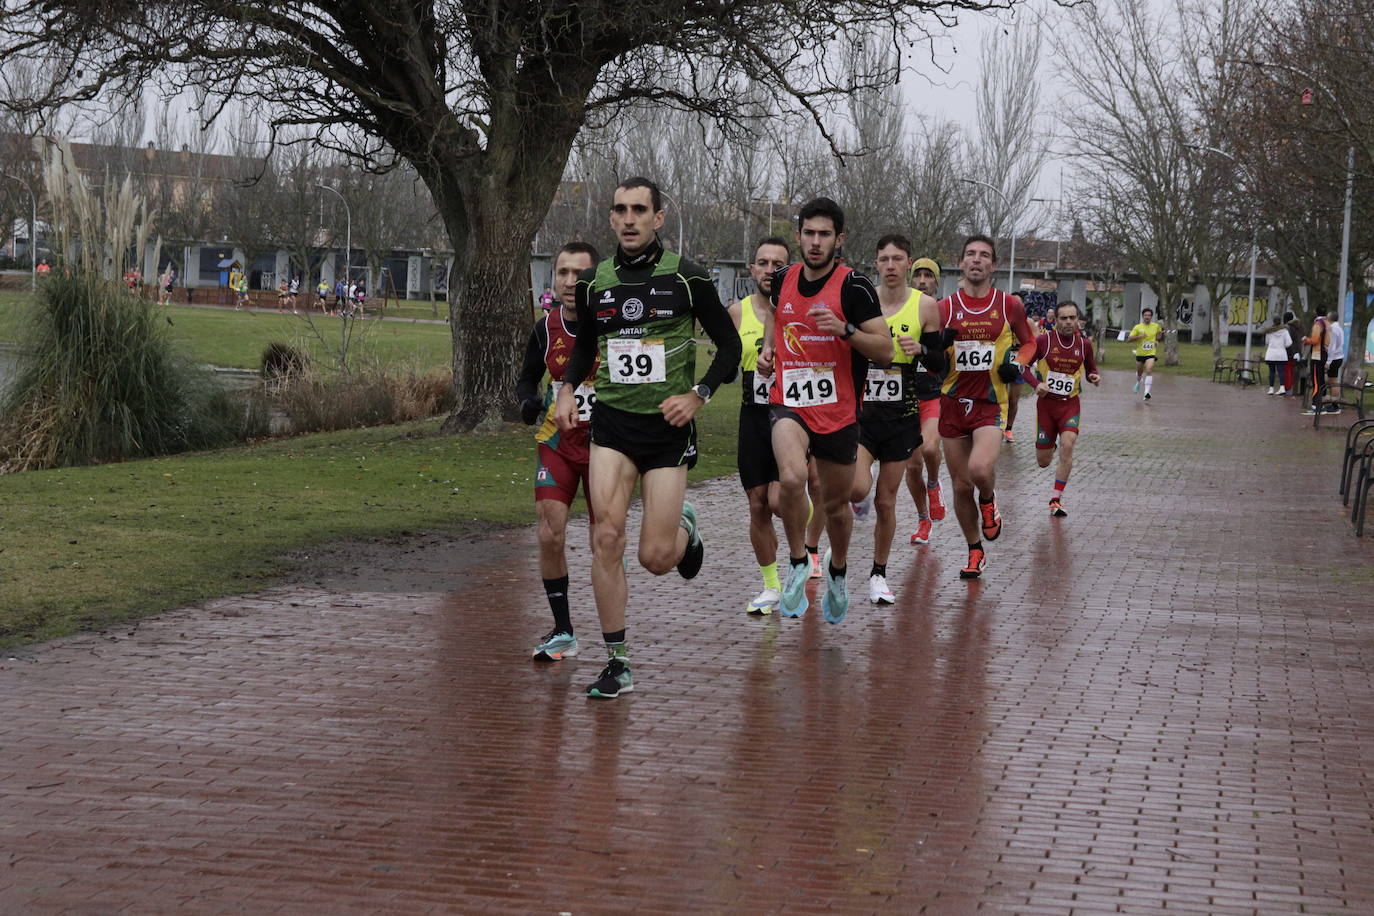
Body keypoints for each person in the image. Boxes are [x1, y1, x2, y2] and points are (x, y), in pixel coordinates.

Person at [555, 177, 741, 699]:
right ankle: (617, 661)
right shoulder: (596, 282)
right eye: (620, 210)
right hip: (612, 425)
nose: (629, 218)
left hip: (667, 429)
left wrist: (699, 394)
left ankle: (685, 531)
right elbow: (586, 344)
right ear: (611, 219)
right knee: (605, 537)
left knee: (656, 558)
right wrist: (567, 389)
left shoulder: (687, 277)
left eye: (640, 209)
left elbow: (728, 347)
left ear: (659, 217)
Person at [755, 197, 891, 622]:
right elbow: (776, 317)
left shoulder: (855, 287)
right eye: (809, 233)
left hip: (838, 412)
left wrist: (846, 330)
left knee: (835, 507)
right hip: (788, 402)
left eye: (824, 235)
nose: (815, 242)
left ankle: (837, 570)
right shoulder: (782, 279)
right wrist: (768, 349)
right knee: (792, 478)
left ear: (839, 239)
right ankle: (799, 560)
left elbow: (885, 351)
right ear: (798, 235)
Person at [729, 236, 828, 615]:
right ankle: (771, 586)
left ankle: (806, 550)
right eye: (763, 263)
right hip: (752, 415)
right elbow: (727, 357)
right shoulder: (737, 313)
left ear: (789, 269)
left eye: (777, 264)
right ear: (752, 269)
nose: (770, 270)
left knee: (779, 498)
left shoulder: (798, 308)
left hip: (790, 416)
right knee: (757, 505)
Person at [516, 241, 601, 661]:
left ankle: (612, 635)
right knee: (549, 532)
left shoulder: (614, 325)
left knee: (605, 541)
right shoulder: (544, 328)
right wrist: (528, 401)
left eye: (580, 274)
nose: (571, 282)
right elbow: (527, 379)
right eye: (563, 273)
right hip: (557, 443)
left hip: (606, 447)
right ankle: (563, 629)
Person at [937, 234, 1037, 580]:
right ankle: (974, 549)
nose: (976, 260)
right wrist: (935, 349)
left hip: (989, 403)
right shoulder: (944, 308)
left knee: (980, 470)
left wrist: (1019, 364)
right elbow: (932, 358)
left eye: (983, 255)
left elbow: (1030, 343)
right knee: (961, 486)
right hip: (951, 405)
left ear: (993, 265)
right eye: (970, 255)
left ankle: (990, 501)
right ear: (961, 263)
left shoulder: (1009, 304)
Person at [850, 235, 942, 605]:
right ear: (876, 264)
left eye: (897, 259)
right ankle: (858, 498)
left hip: (902, 416)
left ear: (908, 264)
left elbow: (940, 363)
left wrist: (921, 350)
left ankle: (878, 574)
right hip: (863, 414)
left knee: (886, 502)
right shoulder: (860, 301)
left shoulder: (926, 307)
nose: (890, 265)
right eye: (884, 259)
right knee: (857, 489)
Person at [1027, 301, 1100, 516]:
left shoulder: (1084, 344)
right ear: (1056, 320)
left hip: (1070, 405)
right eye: (1064, 318)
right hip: (1047, 407)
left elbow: (1090, 369)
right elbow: (1022, 367)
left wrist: (1093, 376)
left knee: (1068, 444)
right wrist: (1036, 384)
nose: (1069, 322)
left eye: (1072, 317)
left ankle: (1055, 499)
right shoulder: (1043, 341)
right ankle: (1050, 445)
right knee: (1043, 461)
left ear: (1078, 319)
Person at [905, 257, 947, 546]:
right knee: (910, 467)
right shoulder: (901, 310)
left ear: (936, 281)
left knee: (931, 447)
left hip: (933, 395)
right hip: (905, 399)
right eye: (917, 275)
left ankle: (934, 483)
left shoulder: (944, 313)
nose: (922, 280)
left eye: (927, 276)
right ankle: (923, 519)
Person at [1127, 307, 1163, 400]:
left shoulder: (1156, 326)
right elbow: (1129, 339)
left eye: (1149, 315)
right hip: (1140, 354)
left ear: (1151, 316)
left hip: (1151, 353)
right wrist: (1139, 336)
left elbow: (1159, 334)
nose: (1147, 317)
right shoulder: (1138, 327)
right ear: (1143, 316)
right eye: (1145, 315)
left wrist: (1157, 340)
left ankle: (1147, 392)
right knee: (1139, 372)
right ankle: (1138, 382)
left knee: (1149, 370)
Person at [1301, 312, 1331, 415]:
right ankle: (1320, 404)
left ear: (1316, 312)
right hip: (1324, 354)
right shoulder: (1328, 323)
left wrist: (1306, 340)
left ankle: (1316, 406)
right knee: (1321, 380)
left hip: (1317, 355)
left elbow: (1315, 340)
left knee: (1316, 381)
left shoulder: (1318, 324)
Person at [1261, 318, 1292, 395]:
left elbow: (1267, 342)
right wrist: (1282, 346)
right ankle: (1282, 387)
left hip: (1271, 354)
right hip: (1281, 354)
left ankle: (1271, 388)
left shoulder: (1269, 332)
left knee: (1271, 372)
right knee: (1281, 371)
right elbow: (1289, 343)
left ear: (1273, 322)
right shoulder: (1285, 331)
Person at [1324, 310, 1346, 412]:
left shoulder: (1333, 329)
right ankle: (1333, 402)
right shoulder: (1338, 328)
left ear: (1330, 318)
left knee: (1333, 382)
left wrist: (1328, 361)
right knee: (1332, 381)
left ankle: (1335, 405)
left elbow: (1332, 346)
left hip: (1334, 358)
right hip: (1337, 357)